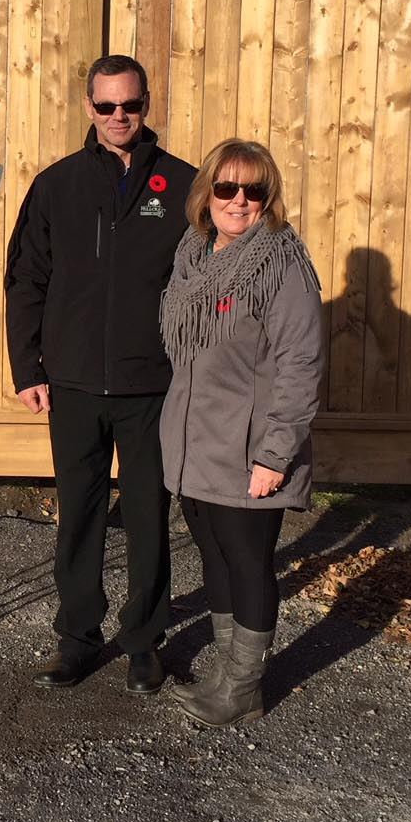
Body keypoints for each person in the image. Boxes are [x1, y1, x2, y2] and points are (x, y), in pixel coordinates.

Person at [4, 55, 197, 694]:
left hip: (152, 385)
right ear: (89, 107)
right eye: (106, 106)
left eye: (131, 105)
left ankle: (145, 641)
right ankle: (77, 638)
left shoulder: (184, 185)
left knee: (147, 514)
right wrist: (27, 366)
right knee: (80, 513)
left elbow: (206, 284)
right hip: (76, 383)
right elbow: (26, 279)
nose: (119, 117)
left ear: (147, 104)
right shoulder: (57, 185)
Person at [157, 138, 324, 725]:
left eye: (254, 190)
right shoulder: (193, 258)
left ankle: (245, 689)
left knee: (249, 561)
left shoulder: (283, 266)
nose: (239, 200)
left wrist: (276, 454)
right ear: (207, 194)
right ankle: (227, 674)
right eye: (227, 187)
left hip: (250, 448)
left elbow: (300, 366)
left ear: (268, 198)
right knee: (216, 556)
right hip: (196, 444)